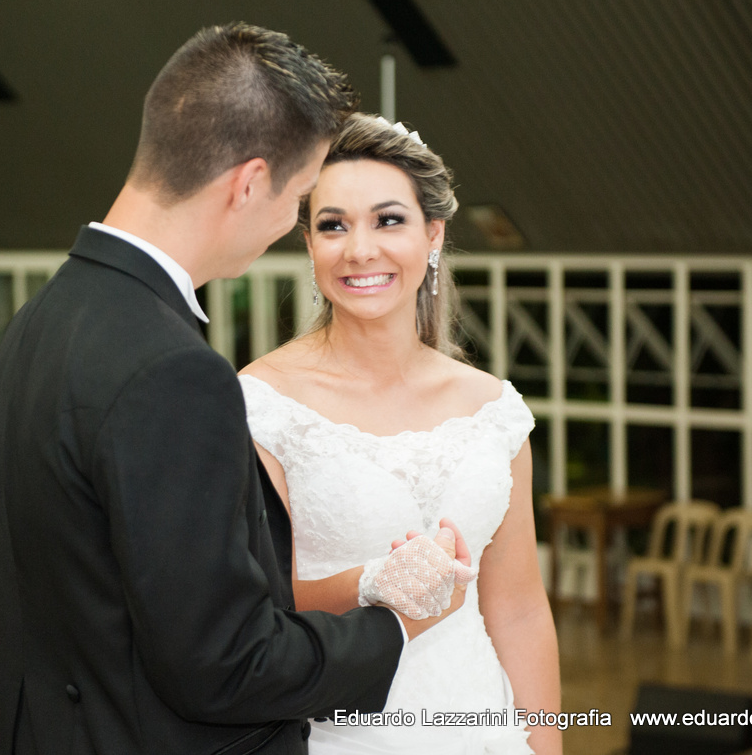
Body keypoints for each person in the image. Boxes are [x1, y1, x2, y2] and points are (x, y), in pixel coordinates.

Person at [0, 22, 472, 755]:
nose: (287, 226)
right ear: (248, 183)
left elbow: (1, 572)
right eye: (300, 196)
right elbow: (224, 664)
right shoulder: (175, 371)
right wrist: (396, 622)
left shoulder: (36, 323)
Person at [240, 113, 561, 754]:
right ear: (309, 243)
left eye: (389, 220)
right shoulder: (261, 405)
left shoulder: (493, 410)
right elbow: (247, 614)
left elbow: (520, 609)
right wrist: (370, 584)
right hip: (340, 733)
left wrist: (544, 747)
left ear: (433, 233)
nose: (361, 249)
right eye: (334, 225)